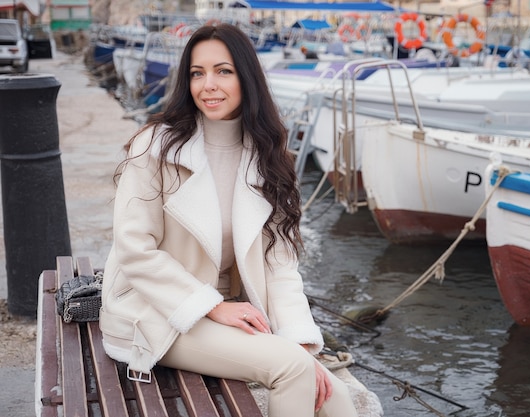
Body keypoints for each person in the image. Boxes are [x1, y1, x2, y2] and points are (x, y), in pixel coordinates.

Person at [99, 23, 359, 417]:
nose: (208, 85)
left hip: (226, 308)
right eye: (197, 73)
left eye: (223, 71)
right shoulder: (155, 146)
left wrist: (302, 342)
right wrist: (212, 306)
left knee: (334, 395)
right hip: (155, 311)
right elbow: (135, 251)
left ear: (246, 77)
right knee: (290, 369)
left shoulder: (267, 153)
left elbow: (280, 264)